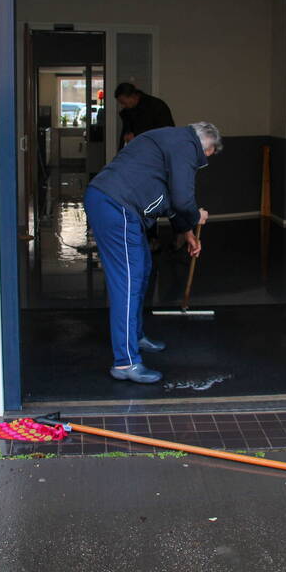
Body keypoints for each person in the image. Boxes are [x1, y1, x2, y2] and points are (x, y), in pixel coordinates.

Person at [84, 122, 223, 383]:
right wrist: (196, 215)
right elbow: (182, 199)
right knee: (128, 281)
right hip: (117, 205)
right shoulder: (186, 146)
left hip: (118, 204)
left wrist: (188, 232)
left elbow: (168, 200)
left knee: (143, 269)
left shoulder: (173, 141)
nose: (202, 164)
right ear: (205, 145)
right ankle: (125, 363)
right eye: (206, 158)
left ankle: (133, 336)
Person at [115, 82, 174, 149]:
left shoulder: (156, 106)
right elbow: (126, 132)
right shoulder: (127, 112)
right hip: (137, 150)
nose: (122, 106)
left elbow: (166, 131)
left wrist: (136, 135)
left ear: (133, 96)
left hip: (156, 149)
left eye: (123, 103)